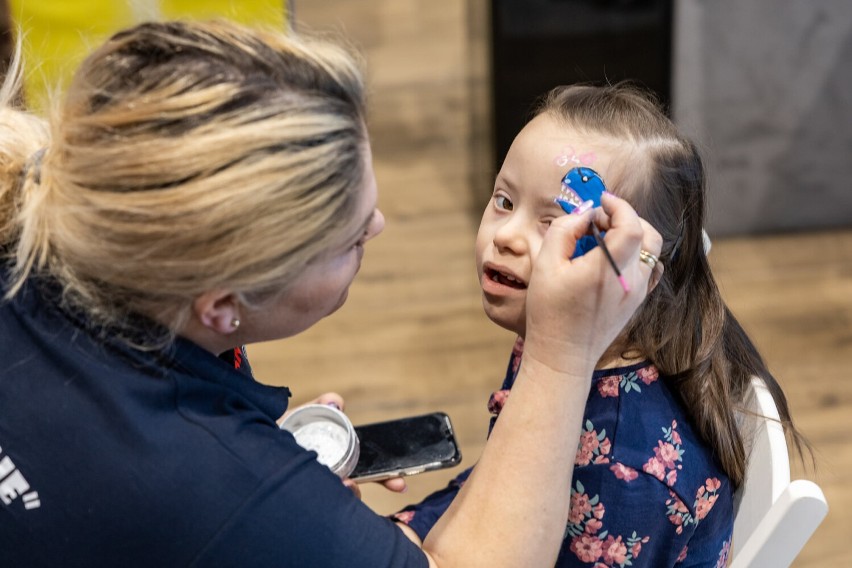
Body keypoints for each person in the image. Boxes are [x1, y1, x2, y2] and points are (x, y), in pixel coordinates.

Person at [0, 20, 662, 567]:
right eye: (352, 240)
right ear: (224, 306)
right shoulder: (217, 488)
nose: (380, 225)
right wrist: (558, 354)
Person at [394, 84, 807, 567]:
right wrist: (411, 529)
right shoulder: (561, 331)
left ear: (637, 267)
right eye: (504, 201)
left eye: (553, 223)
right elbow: (506, 475)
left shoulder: (620, 475)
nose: (505, 236)